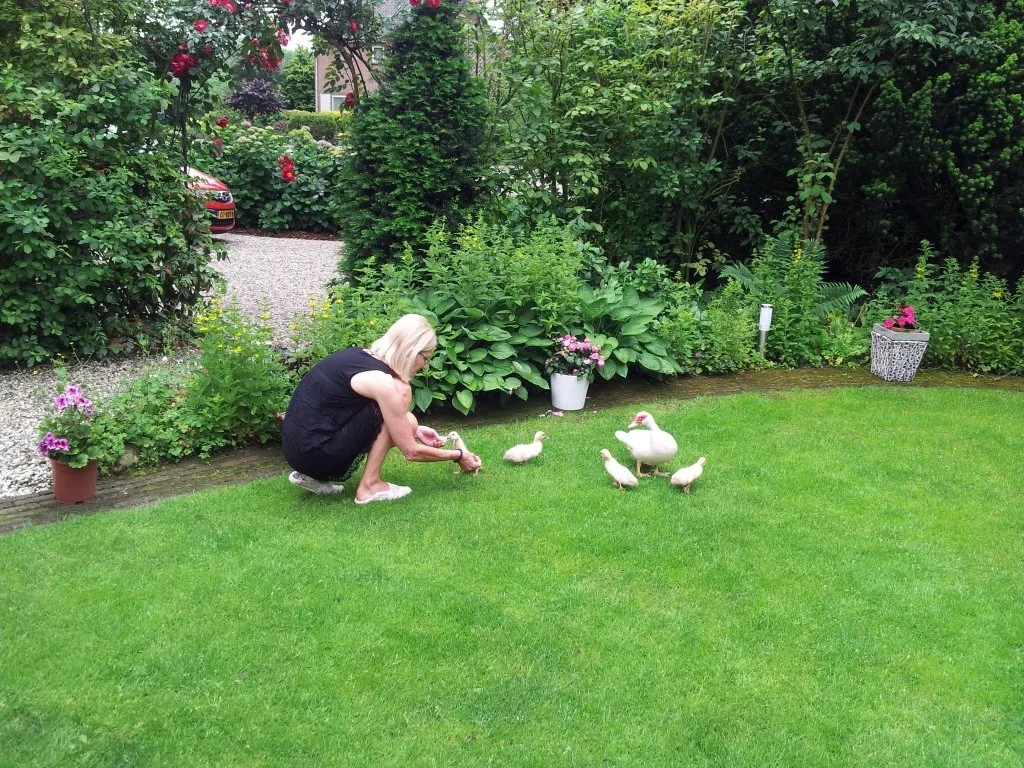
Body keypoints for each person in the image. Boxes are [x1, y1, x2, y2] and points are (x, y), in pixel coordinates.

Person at [282, 314, 483, 503]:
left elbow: (341, 412)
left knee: (410, 422)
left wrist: (414, 430)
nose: (425, 366)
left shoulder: (356, 356)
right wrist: (458, 455)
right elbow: (411, 452)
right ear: (412, 351)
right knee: (407, 420)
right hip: (315, 455)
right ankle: (370, 486)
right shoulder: (385, 384)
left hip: (296, 451)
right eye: (426, 358)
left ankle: (311, 476)